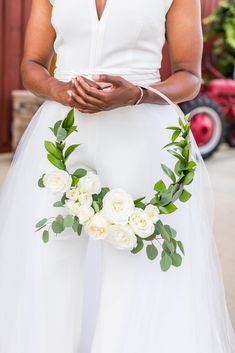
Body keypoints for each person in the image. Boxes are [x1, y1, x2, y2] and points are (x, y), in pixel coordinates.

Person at [0, 0, 234, 352]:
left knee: (134, 260)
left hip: (140, 134)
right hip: (61, 135)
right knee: (49, 260)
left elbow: (189, 76)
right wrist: (58, 90)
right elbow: (32, 64)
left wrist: (138, 94)